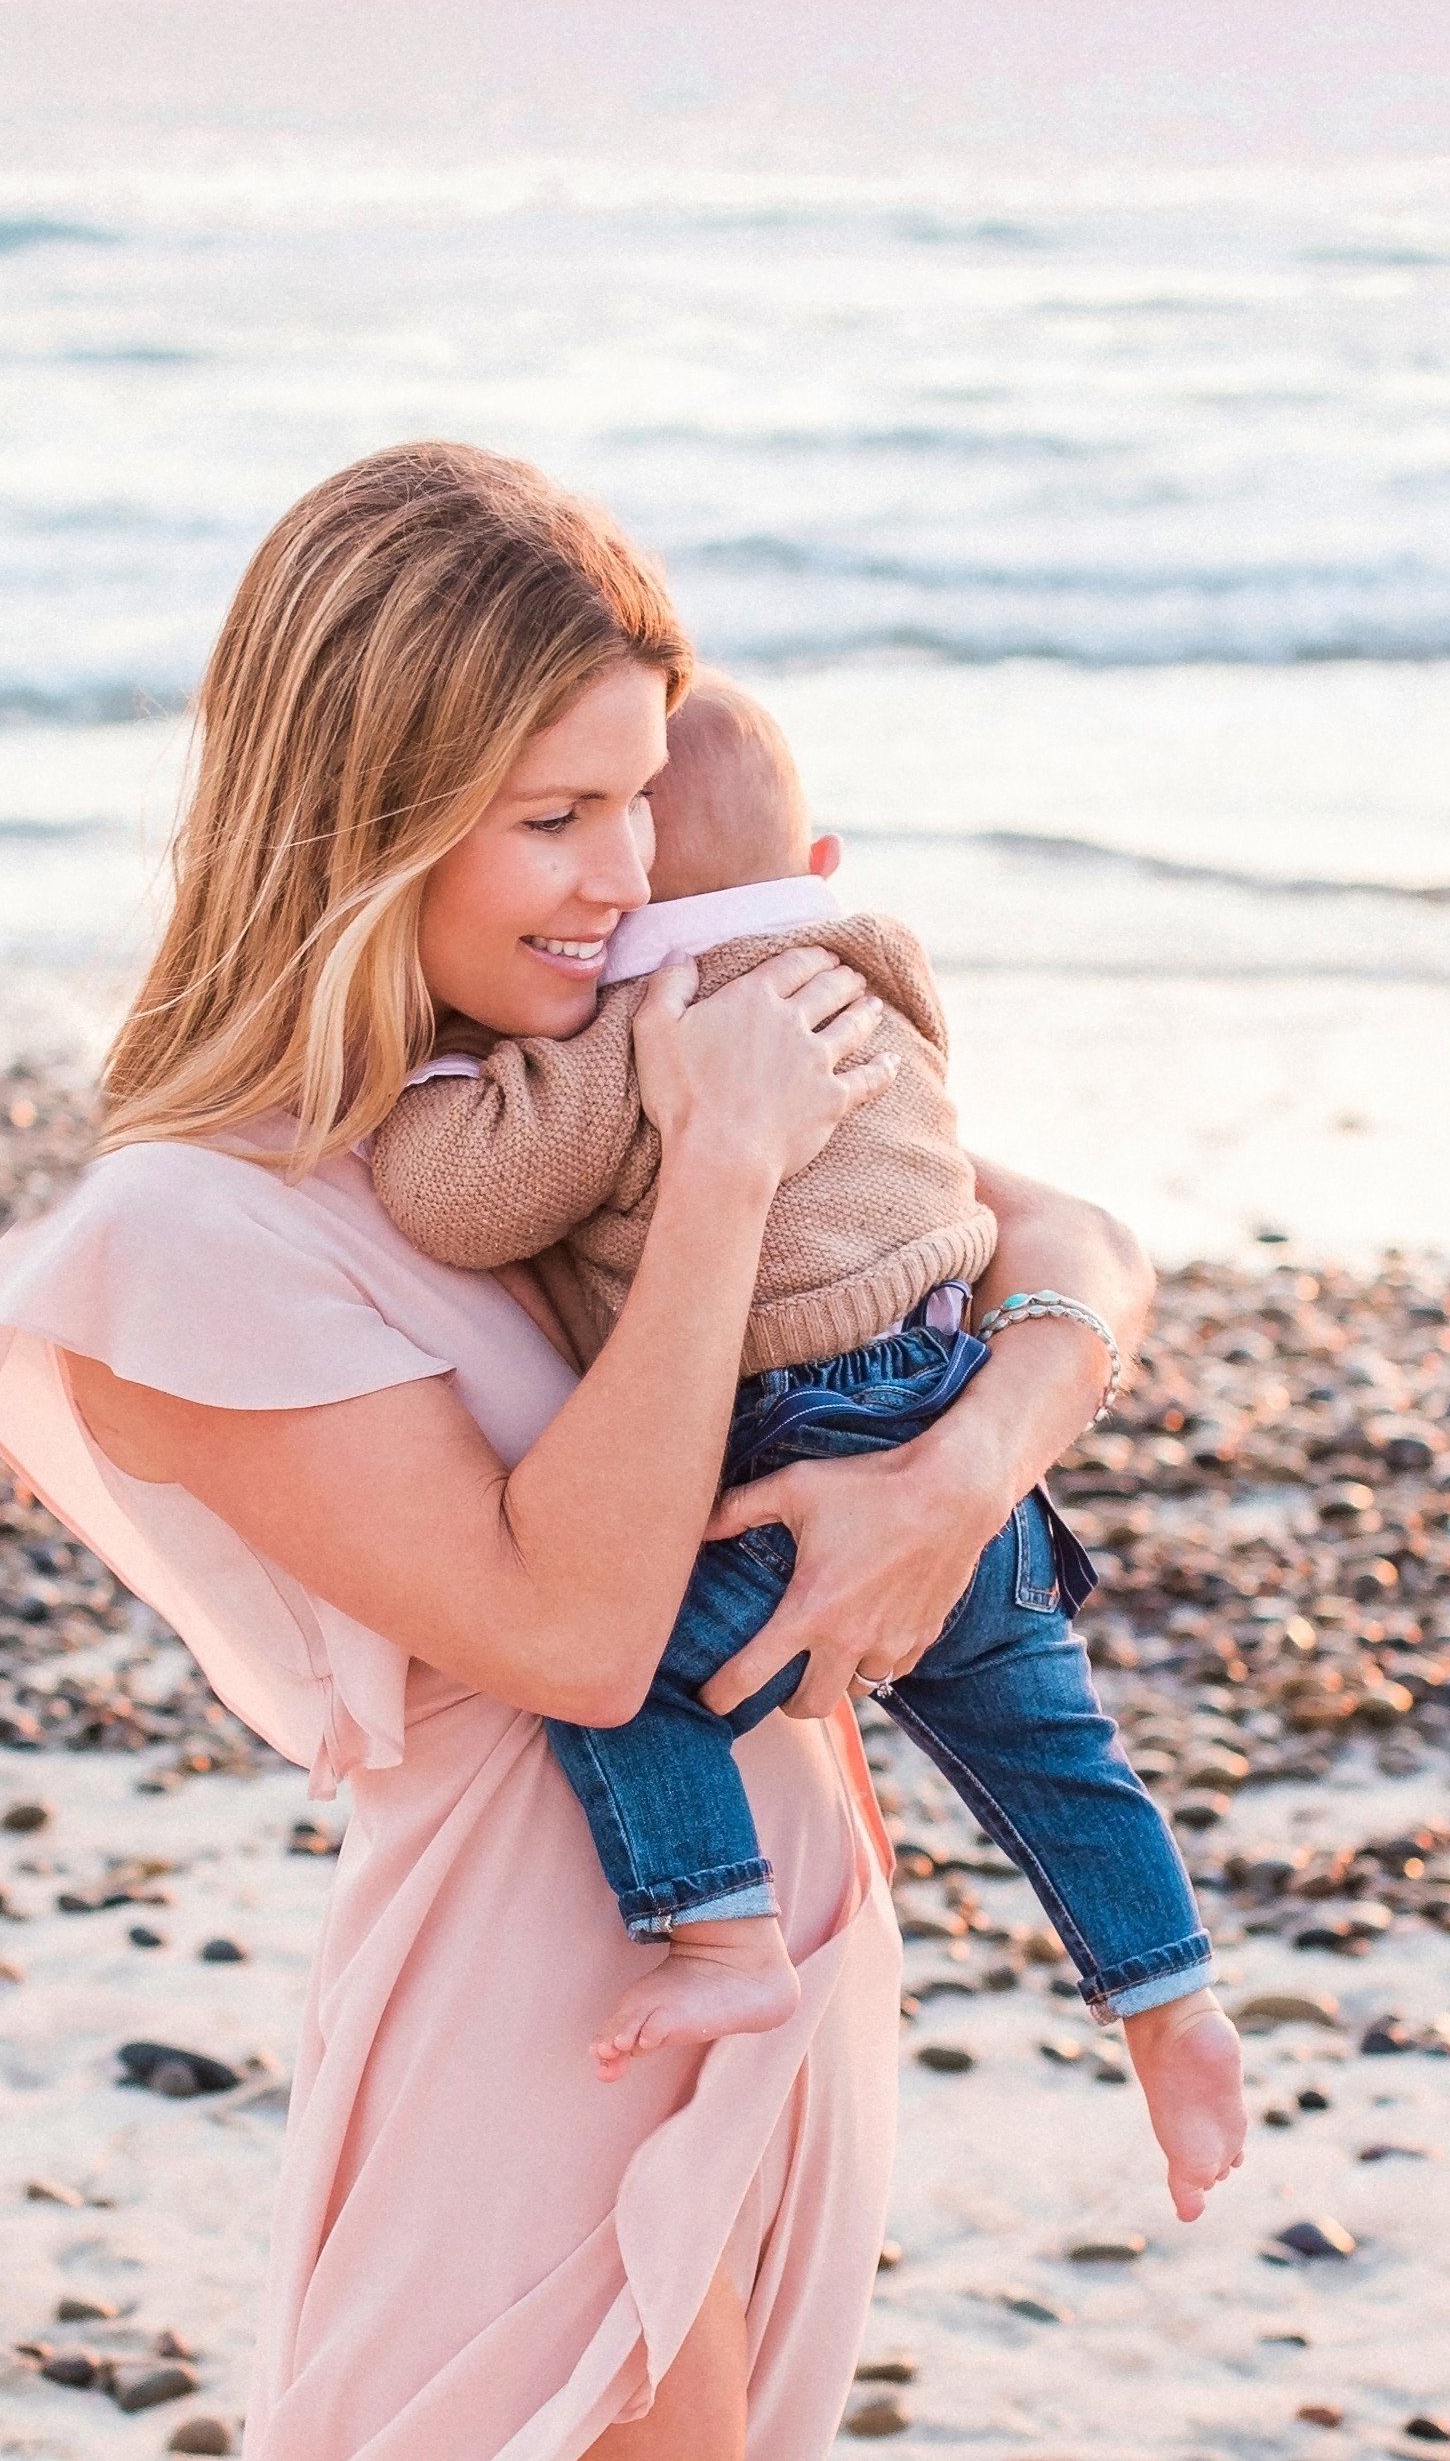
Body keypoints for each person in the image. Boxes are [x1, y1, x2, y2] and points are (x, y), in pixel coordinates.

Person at [0, 443, 1162, 2460]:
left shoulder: (561, 1081)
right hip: (549, 2011)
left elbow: (1080, 1247)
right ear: (361, 816)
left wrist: (958, 1475)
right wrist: (721, 1169)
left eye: (640, 803)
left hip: (776, 1947)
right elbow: (578, 1637)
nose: (630, 876)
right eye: (557, 817)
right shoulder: (186, 1241)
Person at [368, 674, 1244, 2221]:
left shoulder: (654, 1030)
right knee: (1057, 1756)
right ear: (817, 866)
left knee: (615, 1667)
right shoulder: (867, 973)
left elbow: (459, 1200)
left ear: (643, 890)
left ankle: (719, 1937)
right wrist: (969, 1470)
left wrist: (447, 1087)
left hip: (797, 1444)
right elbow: (1017, 1198)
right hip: (966, 1408)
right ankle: (1167, 1998)